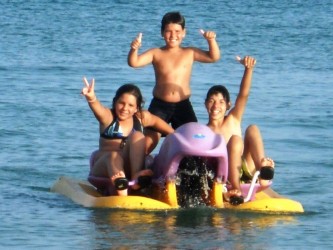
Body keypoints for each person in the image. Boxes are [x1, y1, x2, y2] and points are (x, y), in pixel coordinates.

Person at [128, 11, 220, 154]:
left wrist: (211, 40)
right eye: (168, 31)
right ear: (162, 33)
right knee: (150, 139)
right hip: (160, 105)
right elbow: (134, 62)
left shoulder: (189, 52)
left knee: (193, 138)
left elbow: (213, 57)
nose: (173, 35)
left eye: (177, 31)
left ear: (184, 33)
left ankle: (189, 167)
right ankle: (140, 164)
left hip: (183, 105)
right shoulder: (156, 53)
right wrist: (134, 49)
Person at [81, 77, 174, 196]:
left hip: (129, 168)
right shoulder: (108, 117)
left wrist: (180, 138)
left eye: (130, 105)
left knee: (138, 136)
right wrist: (91, 98)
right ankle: (122, 193)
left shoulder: (141, 118)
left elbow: (166, 128)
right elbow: (98, 109)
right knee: (113, 156)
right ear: (115, 102)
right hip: (104, 167)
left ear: (137, 108)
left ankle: (136, 178)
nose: (125, 108)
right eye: (121, 103)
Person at [204, 56, 275, 205]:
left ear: (228, 105)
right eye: (211, 101)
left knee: (252, 129)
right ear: (205, 104)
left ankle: (263, 170)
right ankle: (236, 189)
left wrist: (248, 69)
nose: (216, 106)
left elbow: (244, 95)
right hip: (226, 174)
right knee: (235, 140)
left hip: (245, 167)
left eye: (221, 102)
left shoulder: (233, 119)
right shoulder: (204, 131)